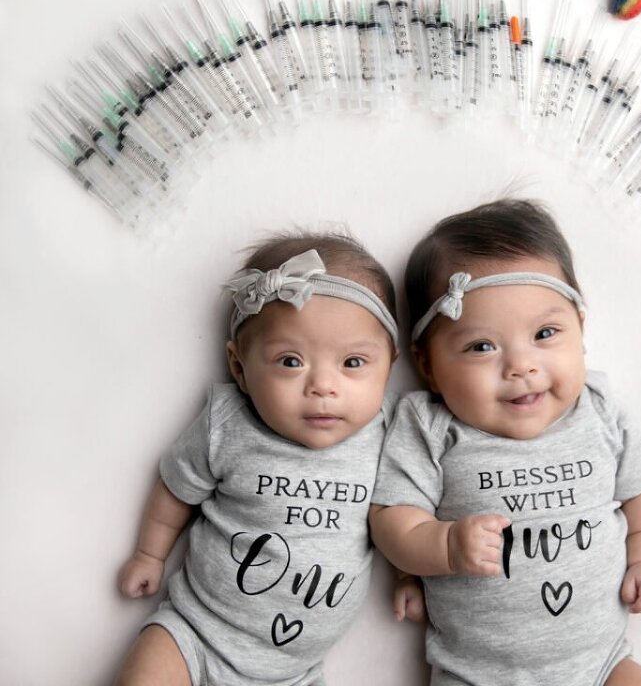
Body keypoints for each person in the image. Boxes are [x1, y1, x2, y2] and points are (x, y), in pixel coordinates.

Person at [370, 199, 641, 686]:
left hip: (601, 663)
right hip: (477, 672)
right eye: (482, 346)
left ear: (581, 330)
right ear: (426, 363)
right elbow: (391, 519)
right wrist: (444, 546)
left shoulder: (597, 410)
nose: (521, 366)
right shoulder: (430, 426)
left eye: (545, 333)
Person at [115, 232, 420, 686]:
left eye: (353, 363)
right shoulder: (228, 423)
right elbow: (176, 487)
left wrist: (406, 577)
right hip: (196, 634)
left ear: (389, 367)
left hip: (292, 673)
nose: (323, 386)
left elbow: (397, 515)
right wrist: (147, 554)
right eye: (291, 361)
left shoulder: (388, 437)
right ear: (239, 367)